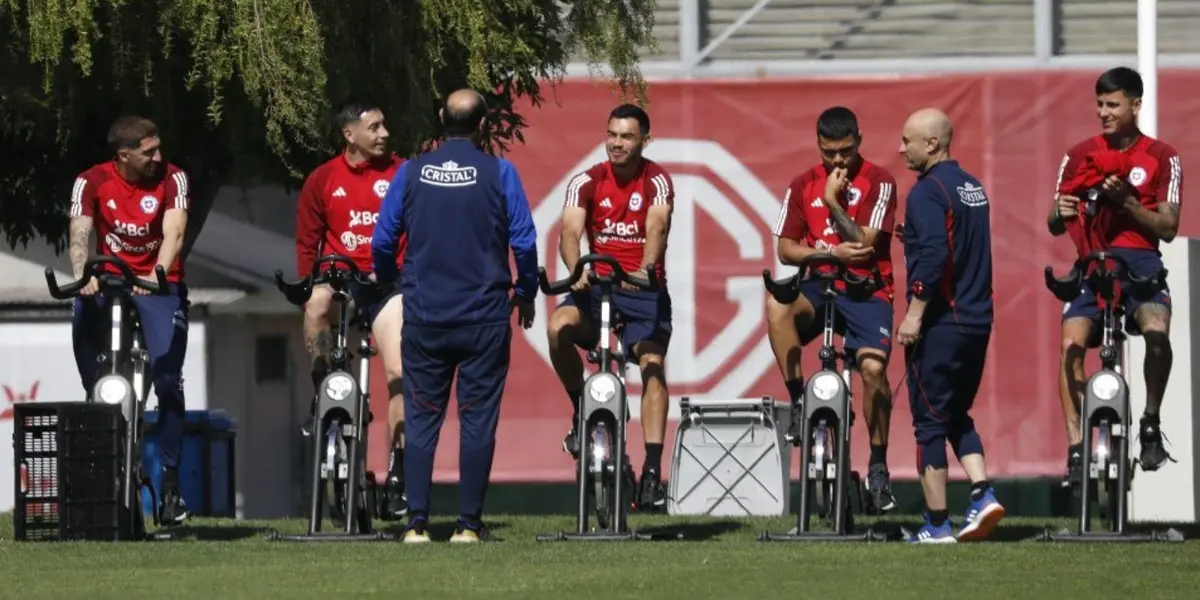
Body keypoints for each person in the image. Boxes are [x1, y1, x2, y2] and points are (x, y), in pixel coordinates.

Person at [371, 89, 538, 543]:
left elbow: (383, 243)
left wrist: (392, 282)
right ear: (484, 125)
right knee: (477, 418)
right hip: (483, 317)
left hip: (425, 317)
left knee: (422, 417)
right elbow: (523, 242)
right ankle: (468, 526)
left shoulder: (410, 173)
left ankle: (416, 523)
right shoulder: (501, 172)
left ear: (441, 118)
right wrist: (525, 293)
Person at [1047, 66, 1181, 488]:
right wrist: (1060, 213)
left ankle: (1149, 422)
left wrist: (1129, 204)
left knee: (1157, 336)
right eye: (1100, 104)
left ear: (1135, 105)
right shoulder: (1079, 153)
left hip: (1142, 264)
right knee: (1070, 345)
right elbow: (1054, 218)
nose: (1103, 112)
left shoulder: (1162, 156)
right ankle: (1074, 448)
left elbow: (1170, 228)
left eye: (1113, 104)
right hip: (1093, 263)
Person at [769, 106, 900, 513]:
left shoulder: (880, 181)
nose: (838, 161)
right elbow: (785, 249)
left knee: (874, 370)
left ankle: (878, 465)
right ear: (818, 145)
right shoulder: (801, 183)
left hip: (867, 291)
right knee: (778, 307)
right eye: (829, 153)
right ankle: (798, 403)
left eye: (845, 151)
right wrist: (826, 252)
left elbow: (863, 244)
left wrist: (831, 200)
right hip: (818, 286)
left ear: (859, 139)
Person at [546, 103, 674, 512]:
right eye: (612, 135)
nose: (617, 144)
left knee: (652, 364)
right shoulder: (586, 179)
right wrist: (575, 268)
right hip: (596, 285)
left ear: (644, 141)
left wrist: (645, 269)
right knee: (558, 327)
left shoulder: (656, 180)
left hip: (641, 289)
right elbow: (569, 230)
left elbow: (657, 227)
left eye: (627, 137)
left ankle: (653, 470)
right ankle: (580, 406)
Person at [67, 115, 191, 525]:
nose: (158, 157)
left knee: (168, 380)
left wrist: (156, 272)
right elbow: (80, 233)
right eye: (148, 152)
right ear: (123, 156)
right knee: (82, 311)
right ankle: (95, 398)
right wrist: (82, 274)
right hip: (110, 278)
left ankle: (171, 485)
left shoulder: (173, 179)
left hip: (159, 283)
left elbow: (174, 231)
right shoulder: (92, 181)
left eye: (159, 148)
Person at [294, 100, 409, 519]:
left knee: (398, 375)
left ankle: (400, 474)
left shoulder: (402, 173)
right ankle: (322, 387)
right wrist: (309, 281)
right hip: (339, 280)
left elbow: (416, 232)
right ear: (349, 135)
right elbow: (307, 243)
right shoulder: (322, 179)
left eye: (384, 126)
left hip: (387, 286)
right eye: (374, 127)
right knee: (316, 303)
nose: (384, 134)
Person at [896, 108, 1004, 543]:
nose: (900, 148)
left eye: (907, 141)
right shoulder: (971, 186)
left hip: (942, 323)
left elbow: (938, 259)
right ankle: (982, 492)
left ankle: (936, 524)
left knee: (929, 424)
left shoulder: (926, 192)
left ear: (932, 144)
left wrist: (914, 315)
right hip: (978, 321)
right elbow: (953, 244)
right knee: (956, 412)